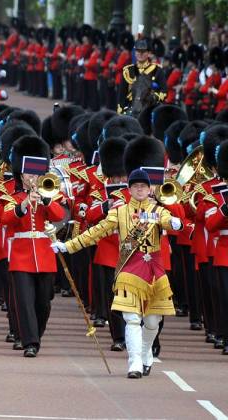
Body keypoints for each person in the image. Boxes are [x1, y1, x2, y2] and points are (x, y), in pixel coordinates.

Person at [56, 146, 182, 378]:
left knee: (152, 322)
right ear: (130, 189)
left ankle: (145, 353)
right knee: (132, 319)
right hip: (129, 269)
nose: (140, 190)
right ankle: (134, 362)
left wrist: (174, 222)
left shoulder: (157, 210)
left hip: (153, 270)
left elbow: (169, 220)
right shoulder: (119, 211)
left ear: (149, 188)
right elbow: (95, 232)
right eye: (136, 187)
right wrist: (68, 246)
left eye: (144, 186)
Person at [0, 136, 65, 358]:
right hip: (21, 254)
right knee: (25, 302)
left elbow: (58, 216)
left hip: (45, 254)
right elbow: (6, 218)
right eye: (29, 174)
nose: (33, 178)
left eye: (36, 174)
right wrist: (25, 203)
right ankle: (30, 342)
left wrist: (45, 199)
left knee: (43, 303)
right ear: (20, 173)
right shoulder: (11, 195)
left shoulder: (50, 191)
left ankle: (36, 334)